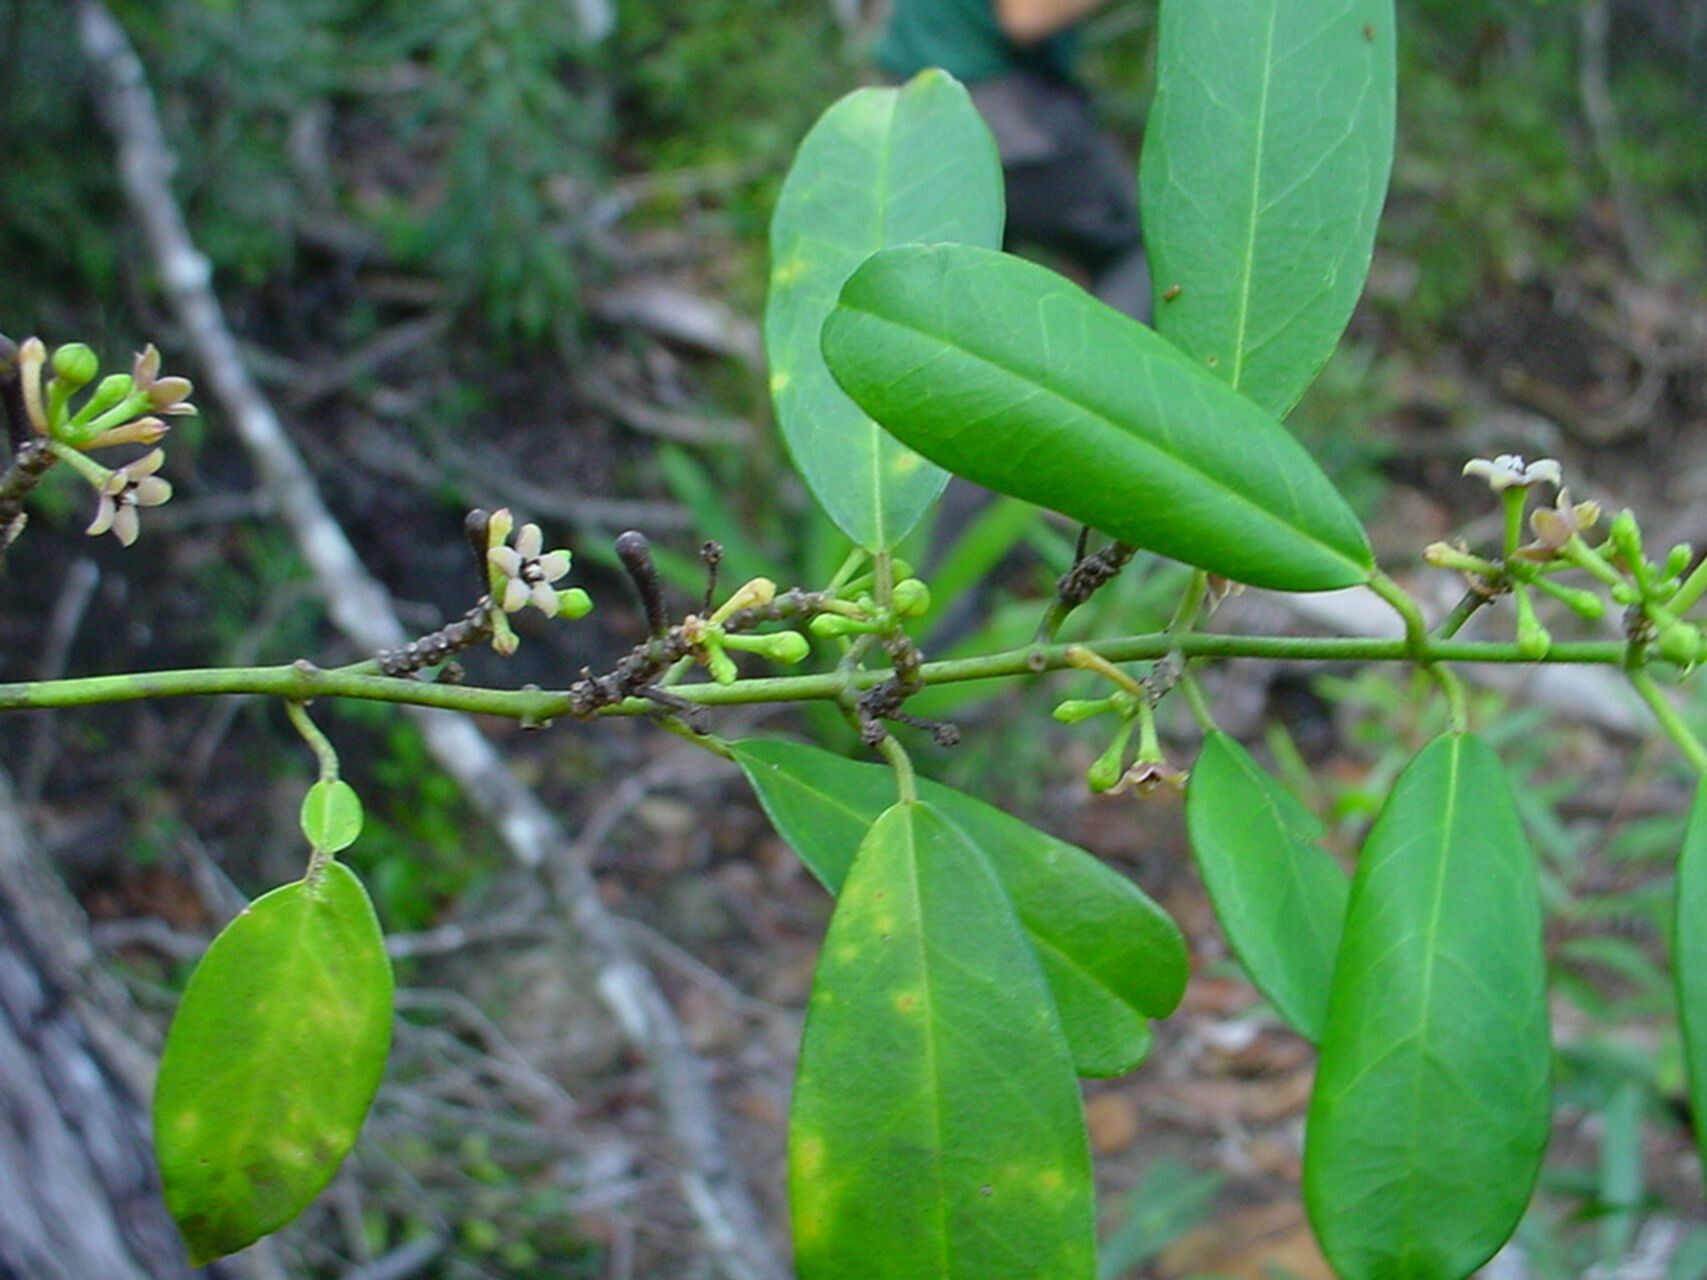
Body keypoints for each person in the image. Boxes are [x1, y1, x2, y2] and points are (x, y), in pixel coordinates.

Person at [875, 0, 1151, 320]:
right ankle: (1100, 351)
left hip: (912, 115)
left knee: (961, 280)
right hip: (1004, 113)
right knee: (1148, 248)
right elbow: (1025, 16)